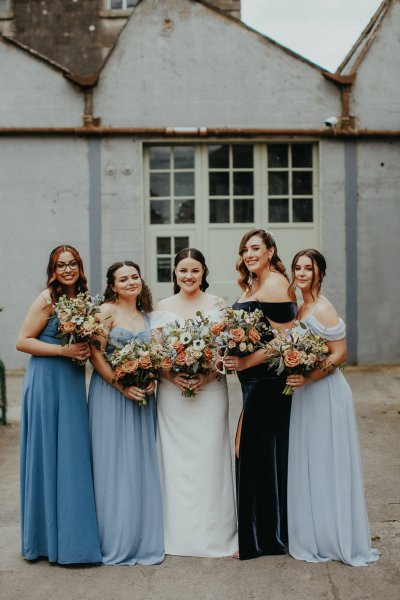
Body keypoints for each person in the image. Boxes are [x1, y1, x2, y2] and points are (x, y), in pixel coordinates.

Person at [286, 249, 379, 566]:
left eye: (307, 268)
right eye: (297, 267)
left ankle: (333, 535)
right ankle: (314, 530)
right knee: (311, 460)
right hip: (305, 394)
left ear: (319, 273)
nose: (301, 273)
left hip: (325, 392)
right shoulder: (301, 307)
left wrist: (308, 376)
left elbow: (339, 354)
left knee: (328, 461)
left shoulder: (323, 309)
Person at [16, 245, 101, 564]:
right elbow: (22, 340)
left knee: (72, 454)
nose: (67, 269)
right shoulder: (47, 299)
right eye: (60, 265)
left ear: (79, 267)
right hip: (47, 379)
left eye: (72, 264)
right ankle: (44, 540)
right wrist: (62, 352)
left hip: (72, 382)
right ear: (52, 270)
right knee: (48, 452)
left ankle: (73, 538)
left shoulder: (82, 299)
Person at [154, 248, 237, 557]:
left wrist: (206, 375)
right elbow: (156, 352)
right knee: (175, 463)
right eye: (183, 270)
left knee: (210, 459)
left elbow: (227, 350)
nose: (188, 276)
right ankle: (176, 535)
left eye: (195, 270)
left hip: (211, 391)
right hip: (171, 393)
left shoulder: (218, 304)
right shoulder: (162, 307)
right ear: (174, 273)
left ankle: (216, 535)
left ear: (204, 273)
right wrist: (173, 376)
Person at [88, 261, 164, 565]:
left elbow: (157, 355)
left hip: (143, 395)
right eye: (123, 279)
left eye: (134, 276)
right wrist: (121, 387)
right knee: (113, 464)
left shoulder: (146, 315)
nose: (131, 282)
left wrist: (153, 379)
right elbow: (95, 355)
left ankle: (139, 535)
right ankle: (114, 536)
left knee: (138, 463)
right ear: (113, 285)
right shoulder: (105, 312)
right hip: (112, 395)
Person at [227, 229, 296, 560]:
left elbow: (286, 338)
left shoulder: (277, 284)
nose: (249, 254)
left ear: (270, 251)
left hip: (268, 384)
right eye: (245, 249)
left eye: (255, 248)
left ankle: (264, 538)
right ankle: (259, 534)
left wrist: (246, 360)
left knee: (255, 455)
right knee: (250, 452)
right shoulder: (252, 284)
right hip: (251, 382)